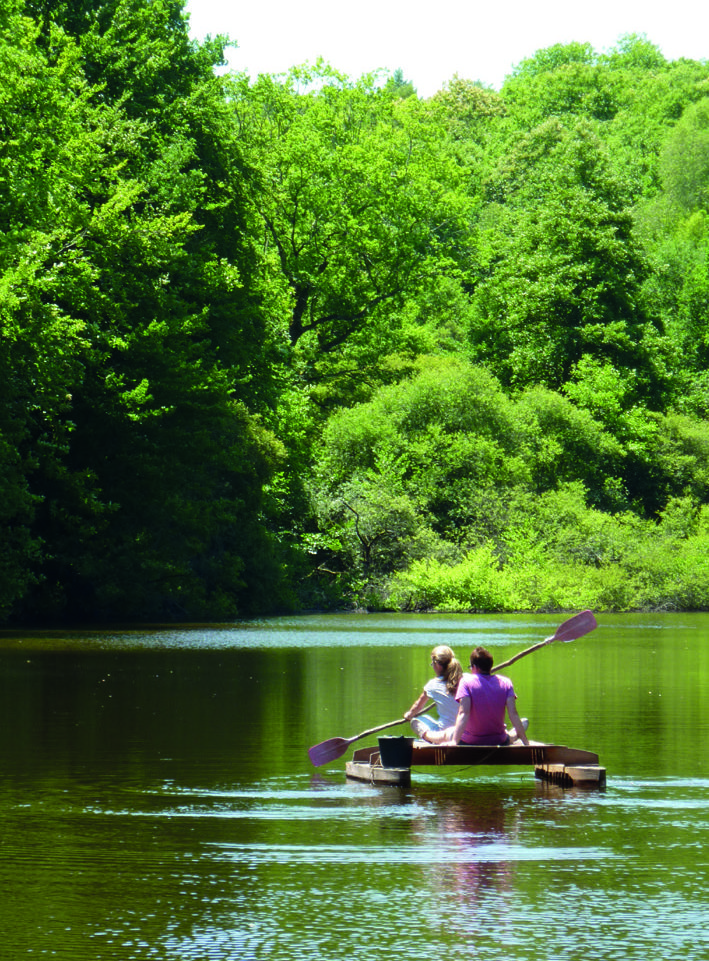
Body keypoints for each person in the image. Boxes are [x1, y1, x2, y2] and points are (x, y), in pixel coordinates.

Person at [421, 646, 529, 746]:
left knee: (449, 732)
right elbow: (513, 714)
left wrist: (454, 741)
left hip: (470, 740)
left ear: (475, 667)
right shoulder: (506, 682)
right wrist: (526, 742)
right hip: (498, 739)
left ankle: (426, 735)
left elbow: (464, 713)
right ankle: (515, 736)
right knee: (524, 722)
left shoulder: (466, 681)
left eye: (471, 667)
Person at [403, 645, 463, 738]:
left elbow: (418, 706)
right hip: (465, 731)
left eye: (432, 664)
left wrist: (408, 715)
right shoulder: (466, 680)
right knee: (426, 718)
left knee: (415, 722)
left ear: (438, 665)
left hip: (445, 733)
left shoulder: (433, 684)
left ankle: (431, 738)